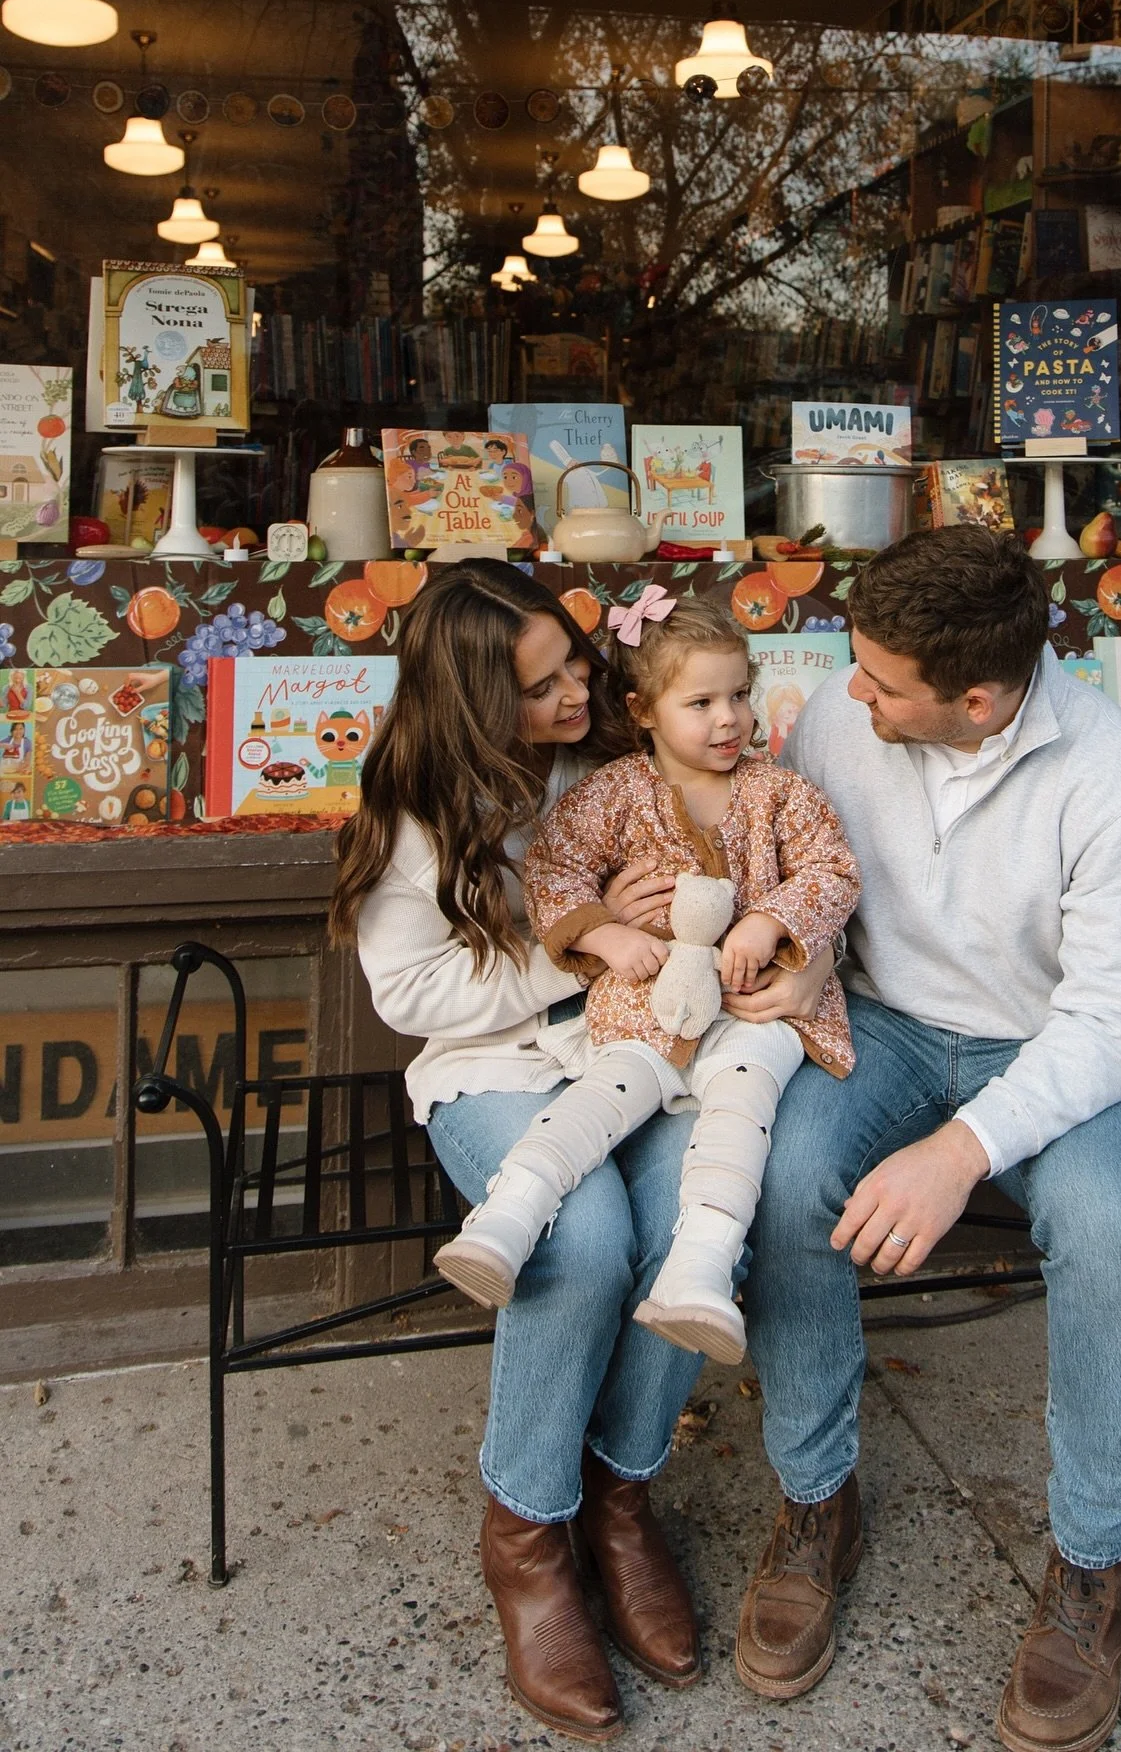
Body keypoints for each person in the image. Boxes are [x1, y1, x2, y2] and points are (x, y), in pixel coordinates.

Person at [329, 563, 846, 1742]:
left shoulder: (624, 757)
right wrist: (590, 947)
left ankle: (621, 1492)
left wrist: (784, 955)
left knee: (682, 1229)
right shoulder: (415, 803)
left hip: (656, 1044)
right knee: (584, 1243)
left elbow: (780, 868)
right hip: (498, 1065)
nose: (577, 692)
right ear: (471, 701)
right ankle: (526, 1533)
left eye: (574, 664)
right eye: (543, 685)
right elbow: (408, 989)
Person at [731, 526, 1121, 1752]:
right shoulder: (839, 715)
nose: (848, 693)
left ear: (975, 699)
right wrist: (802, 951)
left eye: (882, 682)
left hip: (1044, 1053)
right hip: (879, 1024)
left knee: (1112, 1235)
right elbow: (812, 874)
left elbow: (1112, 1023)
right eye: (857, 667)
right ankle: (818, 1501)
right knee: (783, 1179)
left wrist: (961, 1149)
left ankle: (1093, 1566)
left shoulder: (1108, 775)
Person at [433, 592, 859, 1366]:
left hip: (758, 1008)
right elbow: (555, 871)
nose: (728, 719)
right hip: (646, 1001)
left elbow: (832, 870)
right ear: (644, 710)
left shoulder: (781, 793)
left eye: (738, 695)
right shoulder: (611, 795)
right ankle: (505, 1219)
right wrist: (604, 931)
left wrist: (773, 923)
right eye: (701, 702)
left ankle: (699, 1270)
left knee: (742, 1109)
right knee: (605, 1095)